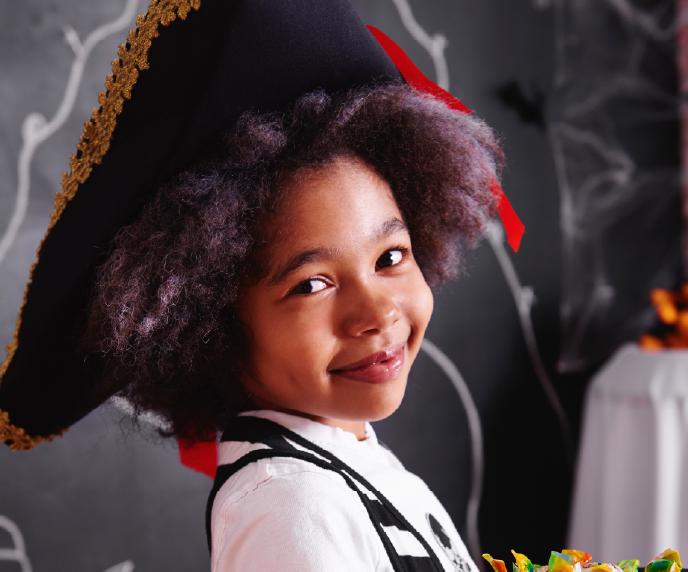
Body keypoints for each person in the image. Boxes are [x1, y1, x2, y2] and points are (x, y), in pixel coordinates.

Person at [0, 0, 522, 570]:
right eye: (311, 285)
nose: (375, 311)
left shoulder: (356, 464)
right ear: (213, 327)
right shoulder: (290, 506)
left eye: (390, 256)